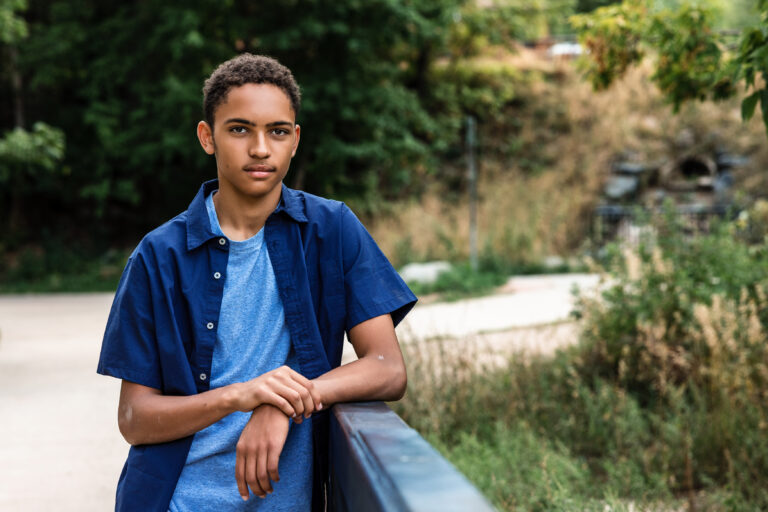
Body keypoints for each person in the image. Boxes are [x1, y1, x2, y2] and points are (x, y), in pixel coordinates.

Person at [97, 53, 417, 512]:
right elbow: (135, 420)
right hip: (179, 502)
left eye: (278, 131)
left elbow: (387, 367)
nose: (261, 148)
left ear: (295, 140)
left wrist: (281, 403)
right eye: (240, 129)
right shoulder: (158, 256)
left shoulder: (332, 229)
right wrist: (240, 396)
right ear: (208, 137)